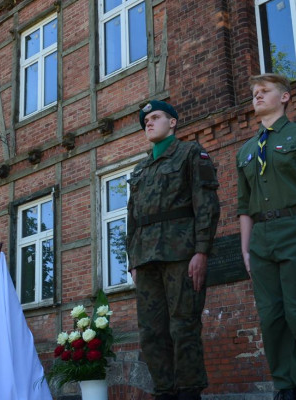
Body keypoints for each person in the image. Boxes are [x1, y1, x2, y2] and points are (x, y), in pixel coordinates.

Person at [236, 73, 296, 400]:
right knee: (272, 319)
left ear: (285, 97)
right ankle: (286, 388)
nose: (257, 97)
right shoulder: (247, 150)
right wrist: (246, 251)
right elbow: (244, 207)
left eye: (264, 91)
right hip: (261, 241)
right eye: (253, 93)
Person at [126, 100, 221, 400]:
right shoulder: (140, 169)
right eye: (146, 121)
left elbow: (206, 205)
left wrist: (201, 251)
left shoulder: (191, 153)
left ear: (173, 122)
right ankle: (164, 392)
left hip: (181, 254)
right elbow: (132, 219)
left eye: (155, 117)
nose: (149, 123)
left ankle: (189, 393)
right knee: (152, 332)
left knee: (183, 327)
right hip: (147, 259)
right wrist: (133, 261)